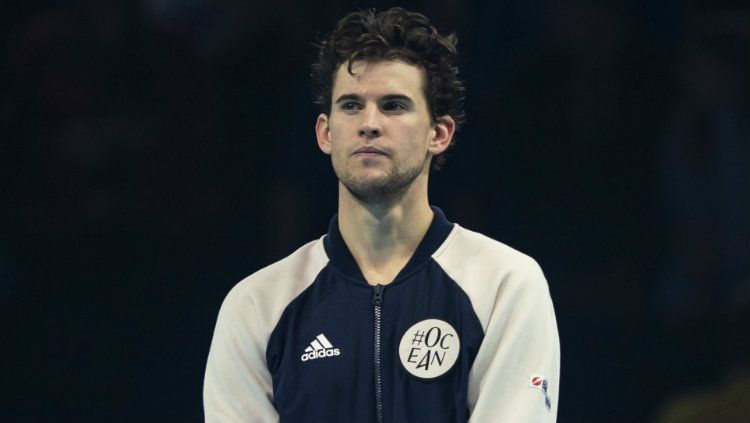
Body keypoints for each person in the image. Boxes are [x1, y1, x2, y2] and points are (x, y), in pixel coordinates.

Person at [203, 7, 560, 423]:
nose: (369, 123)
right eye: (351, 105)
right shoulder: (256, 306)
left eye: (393, 105)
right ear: (325, 132)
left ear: (439, 134)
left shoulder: (505, 285)